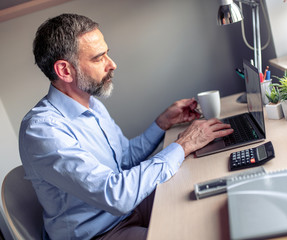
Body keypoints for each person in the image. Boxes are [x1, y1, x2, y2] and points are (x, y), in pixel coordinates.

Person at [19, 13, 233, 240]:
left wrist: (162, 124)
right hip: (100, 233)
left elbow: (124, 160)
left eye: (107, 53)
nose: (112, 64)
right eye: (98, 58)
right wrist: (184, 145)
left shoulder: (92, 104)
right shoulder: (43, 131)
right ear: (64, 70)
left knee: (205, 200)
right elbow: (117, 195)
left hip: (130, 209)